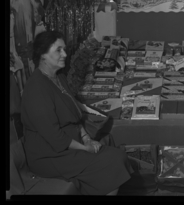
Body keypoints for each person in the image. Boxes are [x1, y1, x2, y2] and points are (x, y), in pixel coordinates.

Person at [20, 30, 134, 195]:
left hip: (69, 144)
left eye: (64, 49)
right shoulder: (37, 89)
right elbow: (54, 137)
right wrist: (84, 148)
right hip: (49, 155)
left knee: (116, 156)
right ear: (43, 55)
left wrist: (87, 138)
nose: (65, 54)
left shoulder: (59, 77)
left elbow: (73, 114)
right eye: (58, 50)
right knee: (114, 160)